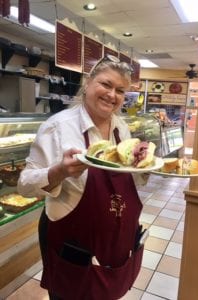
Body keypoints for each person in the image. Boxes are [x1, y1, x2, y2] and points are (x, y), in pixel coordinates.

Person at [17, 55, 149, 300]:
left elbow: (131, 178)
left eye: (120, 90)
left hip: (115, 245)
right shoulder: (58, 126)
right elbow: (24, 185)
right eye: (106, 84)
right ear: (88, 83)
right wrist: (60, 171)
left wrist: (144, 165)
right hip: (73, 247)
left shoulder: (122, 127)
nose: (112, 95)